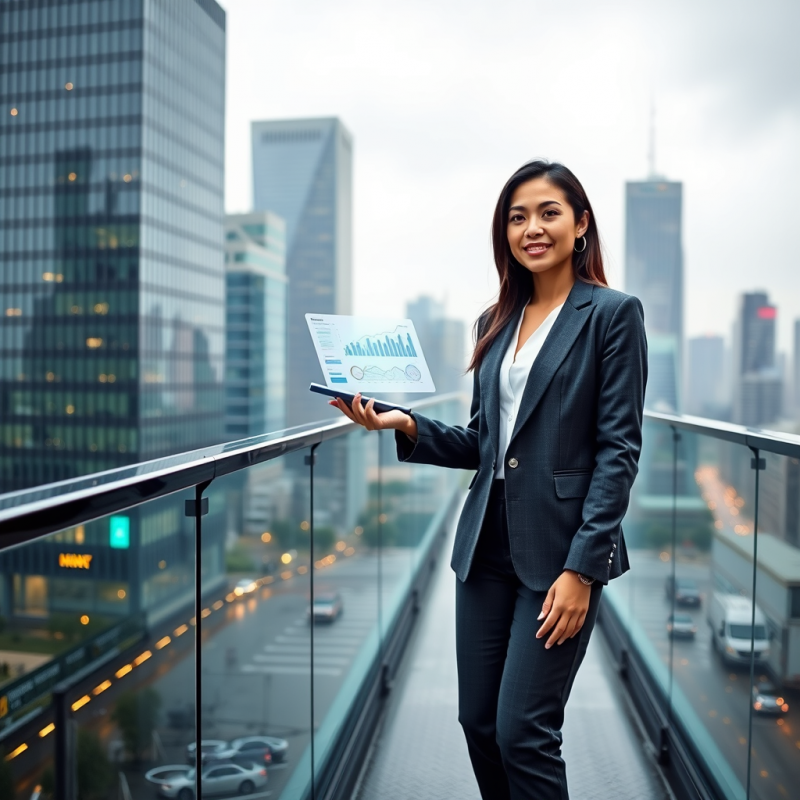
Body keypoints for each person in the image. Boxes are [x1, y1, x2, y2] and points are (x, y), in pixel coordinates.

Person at [330, 160, 647, 800]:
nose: (531, 228)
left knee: (523, 732)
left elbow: (619, 450)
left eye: (548, 213)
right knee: (478, 724)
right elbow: (486, 443)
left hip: (561, 553)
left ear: (581, 224)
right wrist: (405, 423)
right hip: (485, 546)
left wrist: (583, 570)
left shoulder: (612, 315)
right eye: (516, 217)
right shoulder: (494, 322)